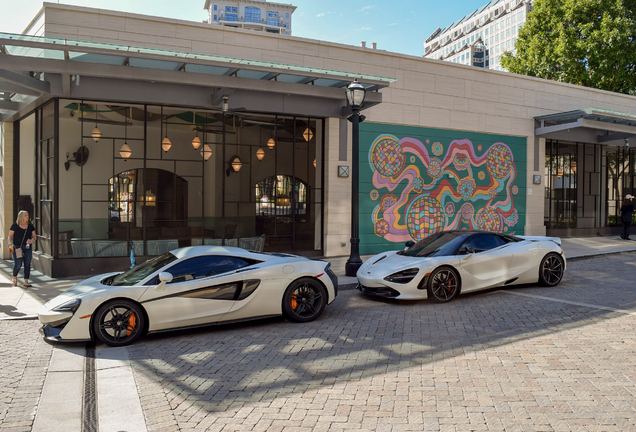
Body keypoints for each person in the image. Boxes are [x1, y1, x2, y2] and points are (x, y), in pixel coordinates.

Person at [7, 210, 36, 287]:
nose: (27, 217)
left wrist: (31, 240)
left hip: (27, 247)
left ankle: (26, 281)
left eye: (27, 215)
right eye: (25, 215)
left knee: (27, 264)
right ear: (21, 217)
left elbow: (34, 237)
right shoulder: (15, 226)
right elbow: (10, 236)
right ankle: (14, 278)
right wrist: (9, 242)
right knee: (18, 264)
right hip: (17, 247)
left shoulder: (30, 226)